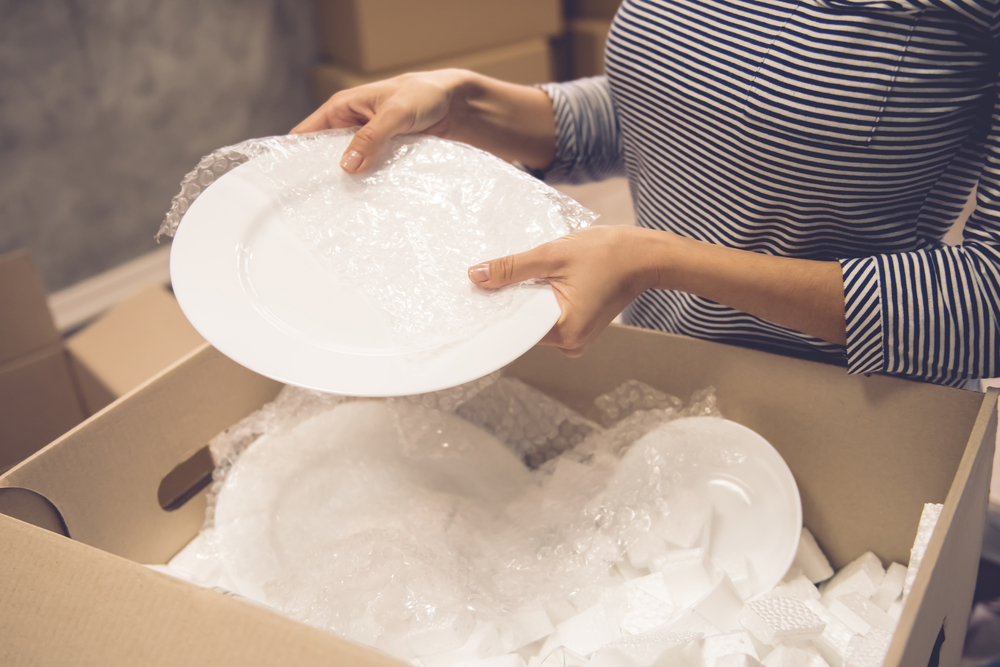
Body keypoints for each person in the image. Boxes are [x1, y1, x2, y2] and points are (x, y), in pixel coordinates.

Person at [292, 0, 1000, 387]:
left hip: (849, 412)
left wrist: (661, 261)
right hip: (663, 372)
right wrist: (467, 103)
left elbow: (990, 302)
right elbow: (681, 107)